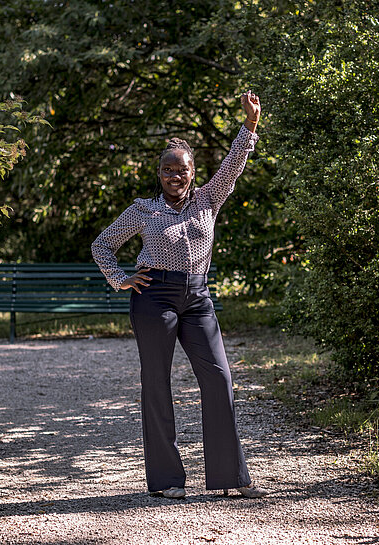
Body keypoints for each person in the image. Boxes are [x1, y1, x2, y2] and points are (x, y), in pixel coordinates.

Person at [91, 91, 268, 500]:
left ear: (192, 172)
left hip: (198, 299)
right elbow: (103, 244)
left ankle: (231, 477)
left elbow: (233, 166)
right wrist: (120, 279)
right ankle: (167, 480)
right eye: (168, 170)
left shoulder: (208, 198)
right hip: (155, 299)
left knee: (220, 379)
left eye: (182, 170)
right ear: (159, 174)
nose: (175, 176)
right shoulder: (142, 210)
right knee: (157, 383)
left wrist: (251, 125)